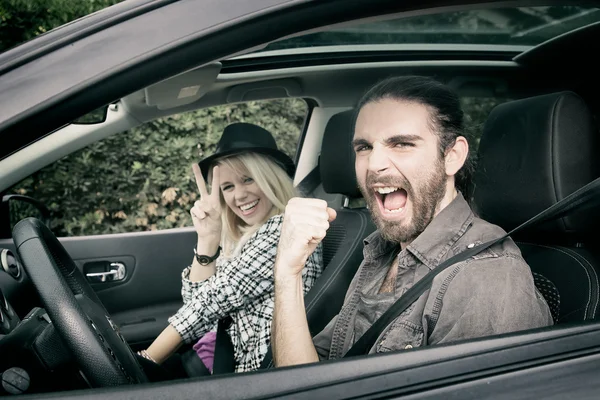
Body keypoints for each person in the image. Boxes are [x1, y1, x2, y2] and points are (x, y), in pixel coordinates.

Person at [271, 76, 553, 366]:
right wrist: (287, 272)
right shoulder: (382, 251)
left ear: (451, 157)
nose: (374, 165)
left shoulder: (486, 277)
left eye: (402, 143)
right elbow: (308, 377)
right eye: (364, 148)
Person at [138, 122, 323, 373]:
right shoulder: (248, 234)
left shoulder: (284, 230)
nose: (239, 195)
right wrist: (208, 238)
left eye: (248, 180)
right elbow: (195, 304)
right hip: (230, 366)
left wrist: (146, 360)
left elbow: (209, 302)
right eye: (228, 187)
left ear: (271, 178)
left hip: (258, 376)